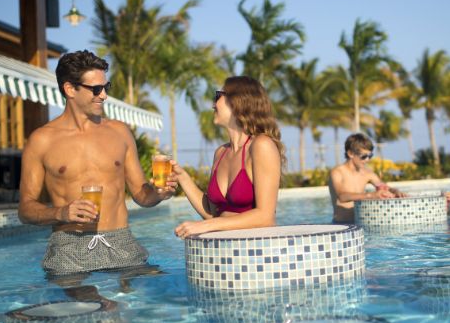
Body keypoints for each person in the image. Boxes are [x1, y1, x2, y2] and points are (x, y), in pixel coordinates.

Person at [18, 50, 175, 280]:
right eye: (95, 89)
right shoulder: (42, 141)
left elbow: (142, 195)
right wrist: (61, 212)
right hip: (69, 249)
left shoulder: (120, 132)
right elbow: (25, 210)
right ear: (70, 89)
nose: (103, 96)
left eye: (105, 87)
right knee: (92, 308)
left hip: (121, 242)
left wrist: (159, 193)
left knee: (166, 292)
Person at [171, 76, 284, 238]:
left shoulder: (261, 146)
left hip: (257, 253)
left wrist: (208, 225)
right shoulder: (221, 152)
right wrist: (182, 177)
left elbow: (266, 217)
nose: (213, 104)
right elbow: (212, 213)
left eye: (218, 96)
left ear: (238, 101)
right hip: (229, 253)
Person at [328, 133, 406, 223]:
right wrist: (371, 195)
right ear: (350, 153)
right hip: (341, 225)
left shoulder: (368, 173)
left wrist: (396, 192)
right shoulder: (337, 172)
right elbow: (342, 197)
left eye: (370, 156)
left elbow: (384, 187)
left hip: (360, 223)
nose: (367, 160)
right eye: (364, 156)